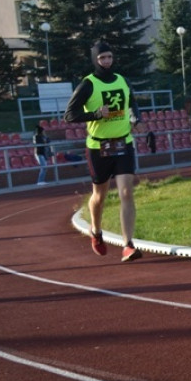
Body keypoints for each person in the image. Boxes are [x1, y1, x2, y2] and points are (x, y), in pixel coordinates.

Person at [64, 41, 143, 261]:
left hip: (123, 142)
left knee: (126, 191)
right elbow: (69, 115)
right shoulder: (88, 85)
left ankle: (128, 244)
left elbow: (132, 103)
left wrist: (136, 118)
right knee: (100, 196)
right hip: (99, 146)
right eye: (102, 58)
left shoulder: (122, 80)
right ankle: (96, 231)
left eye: (109, 57)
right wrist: (96, 115)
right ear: (95, 60)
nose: (106, 61)